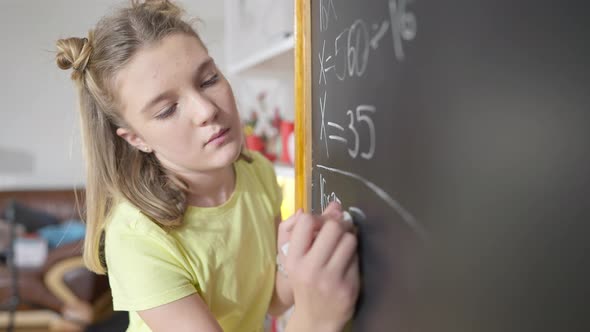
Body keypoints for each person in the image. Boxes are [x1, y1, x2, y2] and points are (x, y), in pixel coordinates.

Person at [55, 1, 359, 331]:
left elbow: (272, 299)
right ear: (136, 139)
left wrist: (291, 263)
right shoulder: (137, 238)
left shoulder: (257, 171)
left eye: (208, 79)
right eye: (167, 110)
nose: (206, 110)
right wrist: (318, 319)